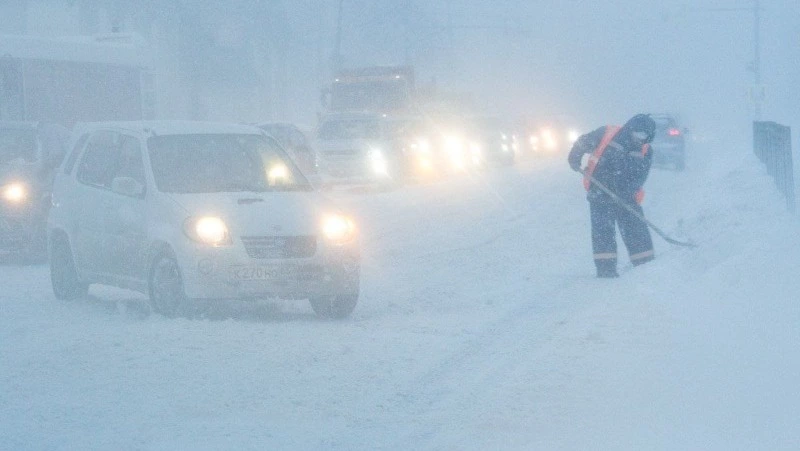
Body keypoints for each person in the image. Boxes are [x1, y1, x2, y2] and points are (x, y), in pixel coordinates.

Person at [567, 113, 657, 278]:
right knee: (602, 232)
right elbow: (583, 142)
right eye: (637, 133)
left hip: (627, 198)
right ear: (630, 128)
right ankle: (605, 270)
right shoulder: (607, 133)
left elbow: (640, 177)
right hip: (599, 192)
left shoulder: (646, 150)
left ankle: (646, 266)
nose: (639, 138)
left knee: (636, 230)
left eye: (643, 135)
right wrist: (574, 156)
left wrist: (624, 192)